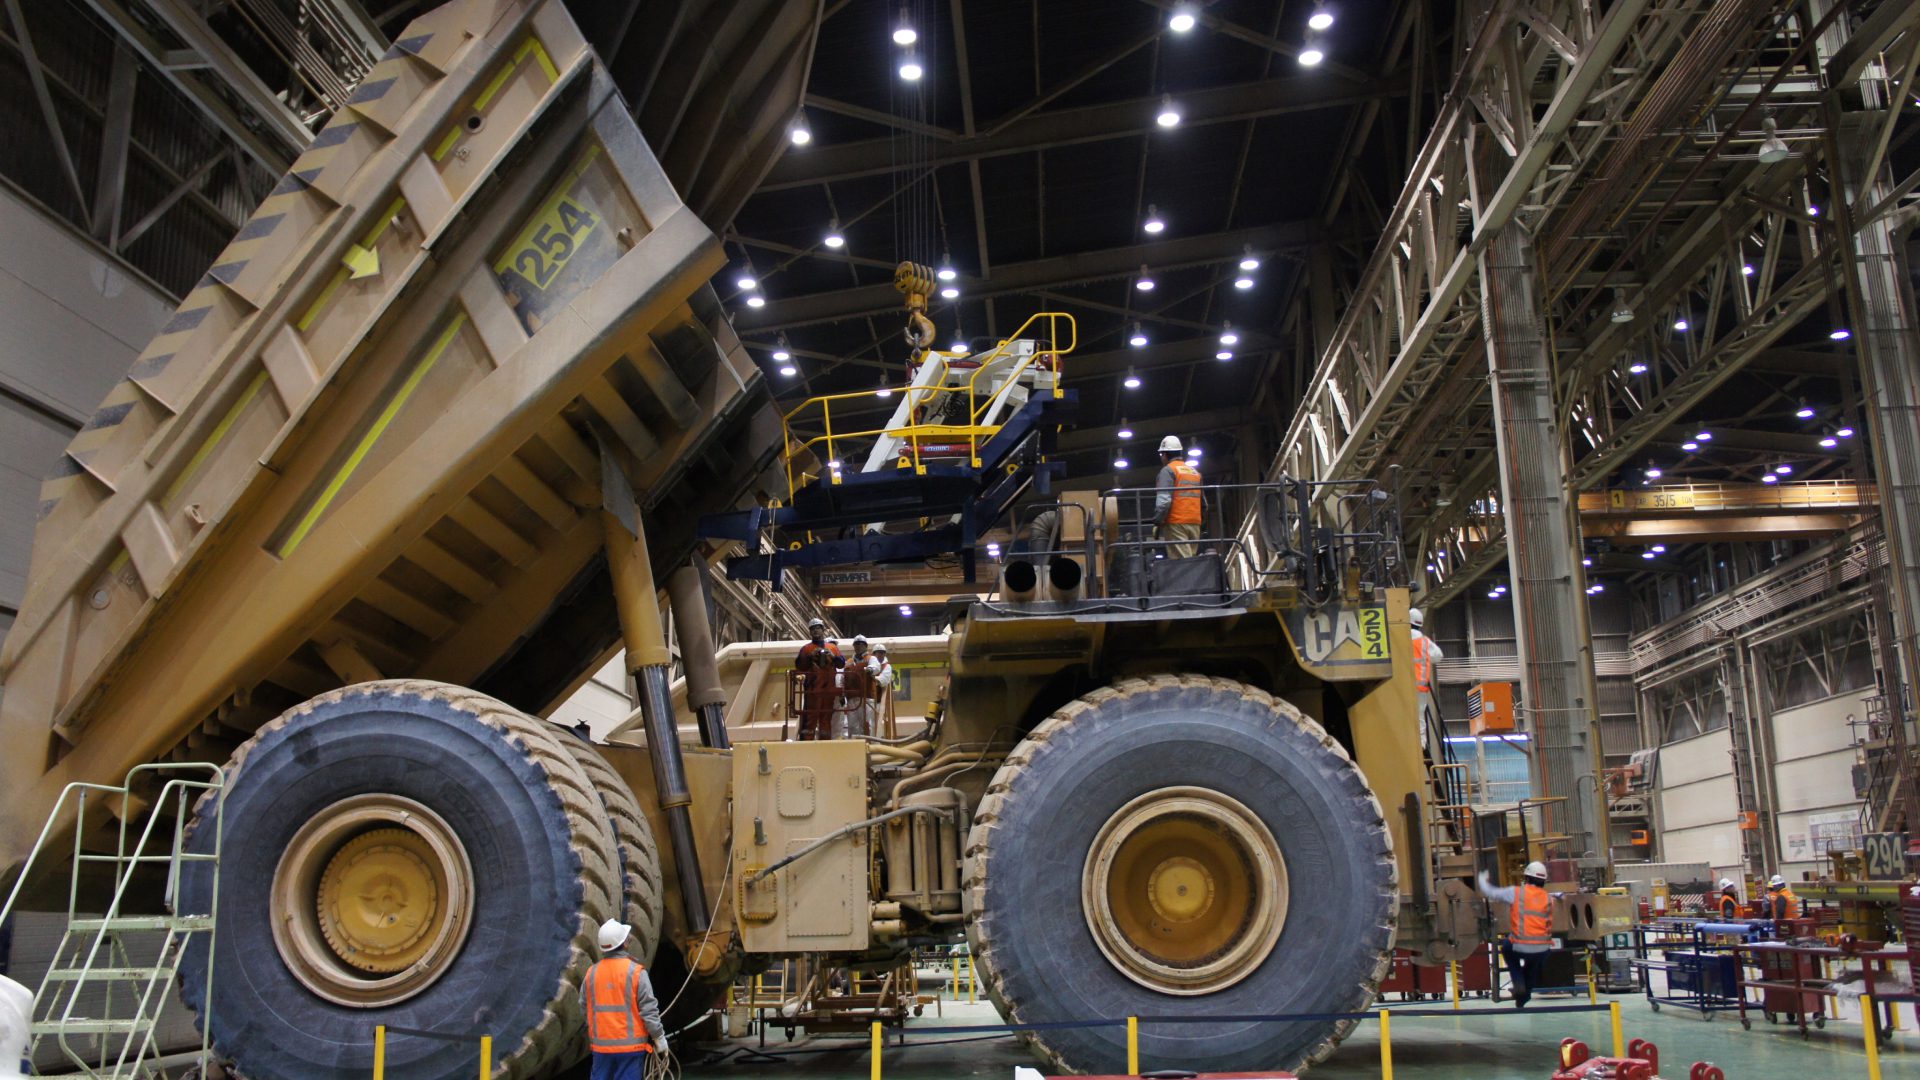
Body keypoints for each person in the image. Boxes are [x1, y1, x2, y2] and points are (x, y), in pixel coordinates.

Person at [582, 918, 665, 1080]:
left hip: (601, 1048)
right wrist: (658, 1037)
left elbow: (584, 1006)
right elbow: (649, 1011)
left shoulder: (591, 973)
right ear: (625, 943)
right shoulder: (636, 973)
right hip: (630, 1049)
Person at [1477, 860, 1554, 1008]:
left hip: (1520, 945)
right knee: (1533, 963)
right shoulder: (1549, 898)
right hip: (1543, 948)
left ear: (1527, 878)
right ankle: (1524, 995)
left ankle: (1518, 983)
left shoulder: (1517, 892)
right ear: (1544, 881)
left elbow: (1491, 892)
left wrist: (1482, 878)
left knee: (1507, 949)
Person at [1152, 436, 1203, 558]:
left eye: (1161, 455)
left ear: (1165, 455)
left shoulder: (1168, 471)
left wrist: (1157, 522)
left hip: (1176, 523)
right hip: (1195, 523)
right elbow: (1203, 503)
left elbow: (1163, 502)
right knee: (1191, 560)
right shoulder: (1195, 472)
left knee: (1182, 564)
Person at [796, 618, 844, 740]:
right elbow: (800, 666)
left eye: (818, 628)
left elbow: (841, 664)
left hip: (828, 690)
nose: (815, 631)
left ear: (823, 630)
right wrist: (810, 656)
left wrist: (833, 657)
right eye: (813, 629)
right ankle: (806, 743)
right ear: (810, 632)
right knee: (810, 718)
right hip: (812, 690)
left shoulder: (832, 648)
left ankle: (825, 743)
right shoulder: (806, 649)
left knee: (826, 718)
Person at [1410, 607, 1444, 749]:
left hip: (1404, 685)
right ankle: (1421, 745)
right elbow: (1438, 656)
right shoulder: (1425, 642)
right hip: (1420, 686)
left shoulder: (1400, 638)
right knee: (1419, 716)